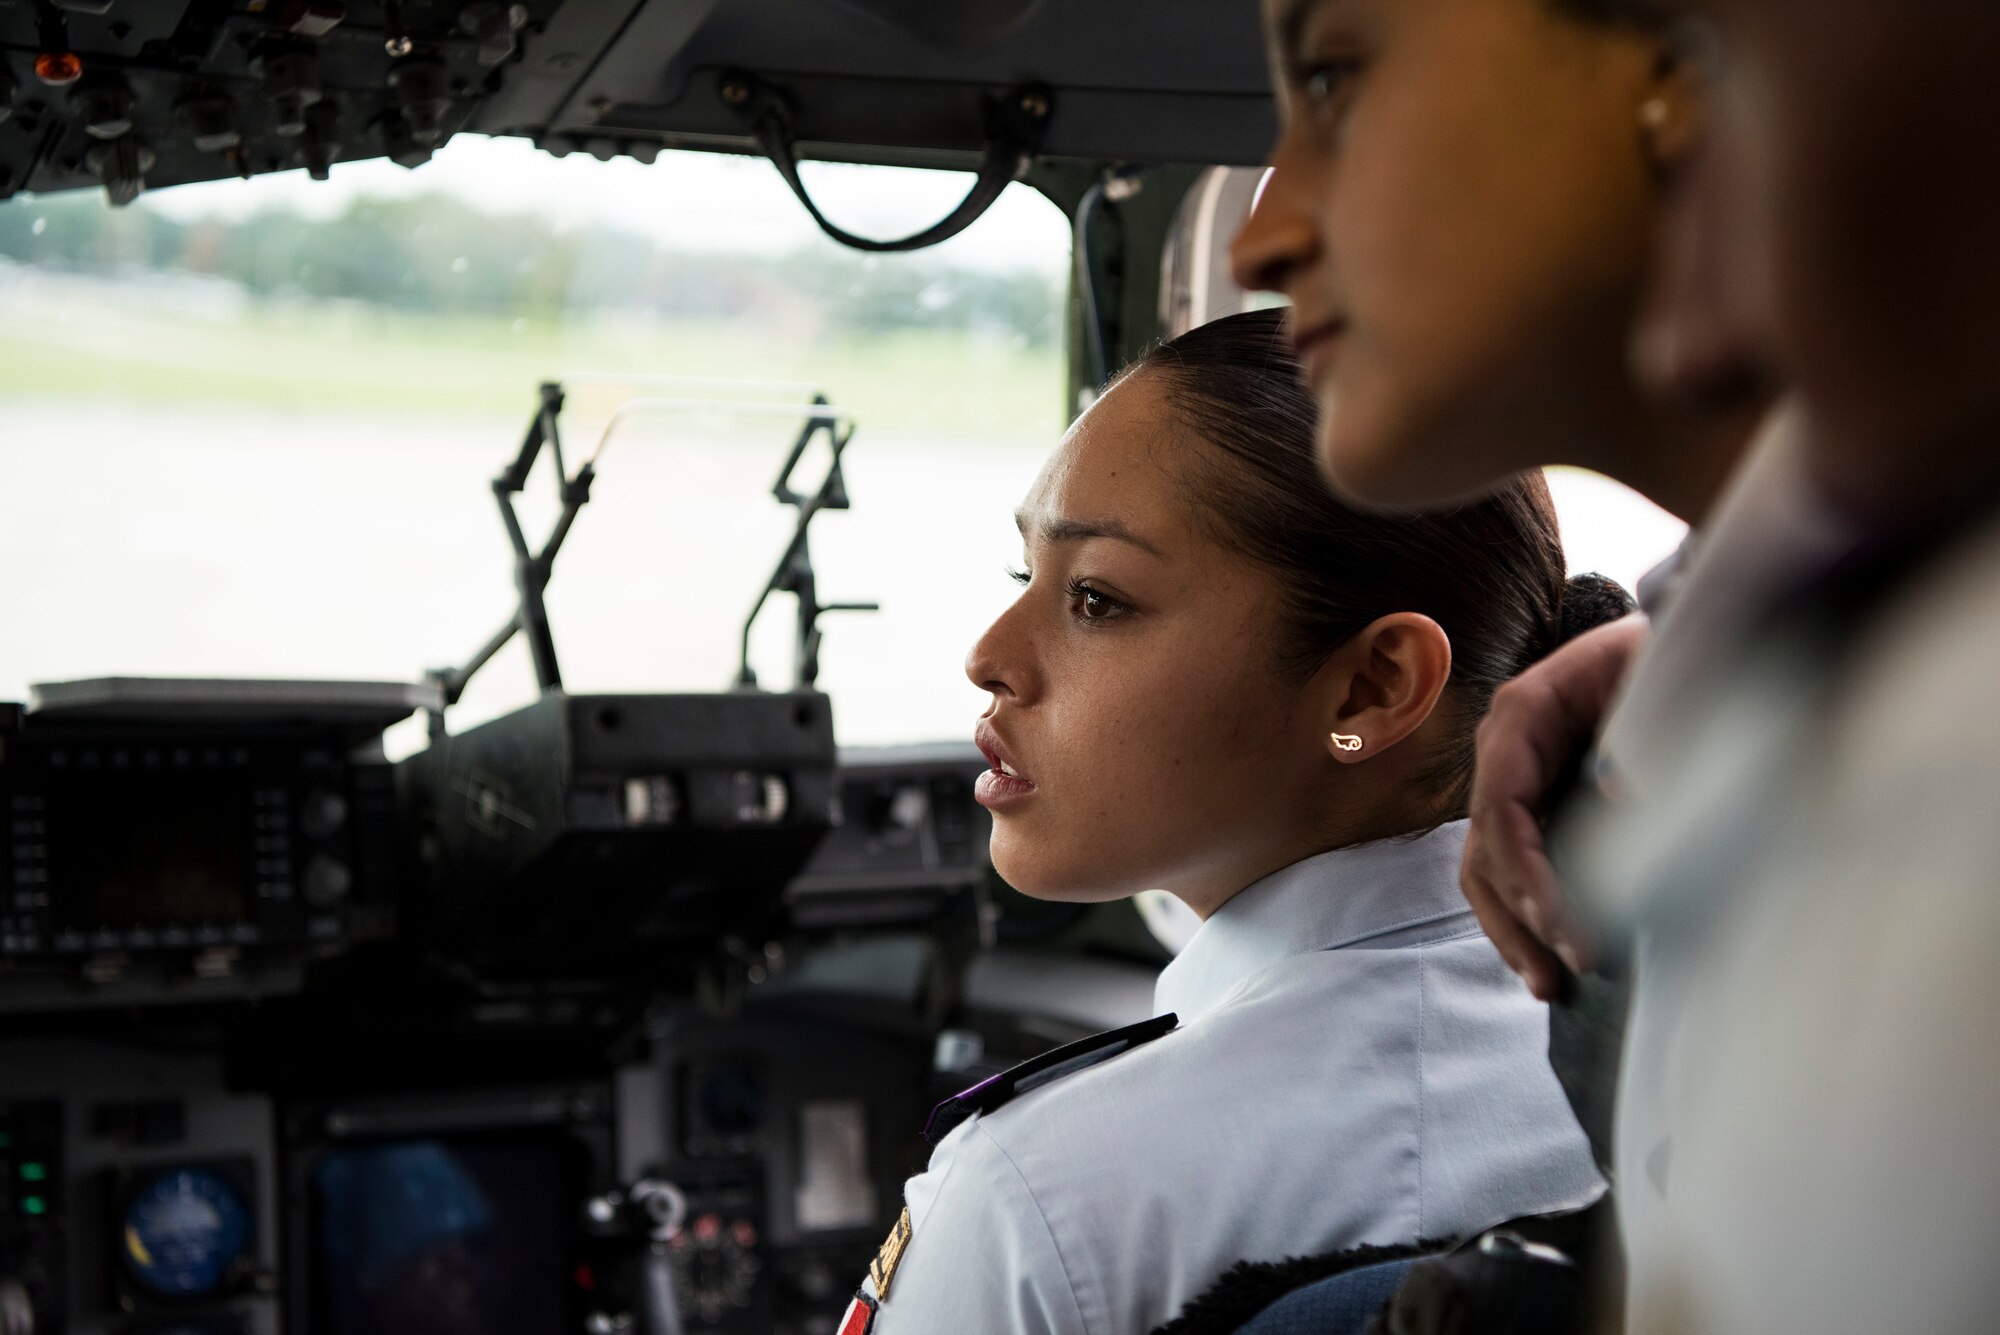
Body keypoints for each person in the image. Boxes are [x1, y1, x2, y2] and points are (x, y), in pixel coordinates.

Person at [840, 309, 1618, 1335]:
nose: (988, 656)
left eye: (1095, 600)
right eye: (1019, 578)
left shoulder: (1039, 1203)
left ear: (1368, 689)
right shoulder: (1659, 1092)